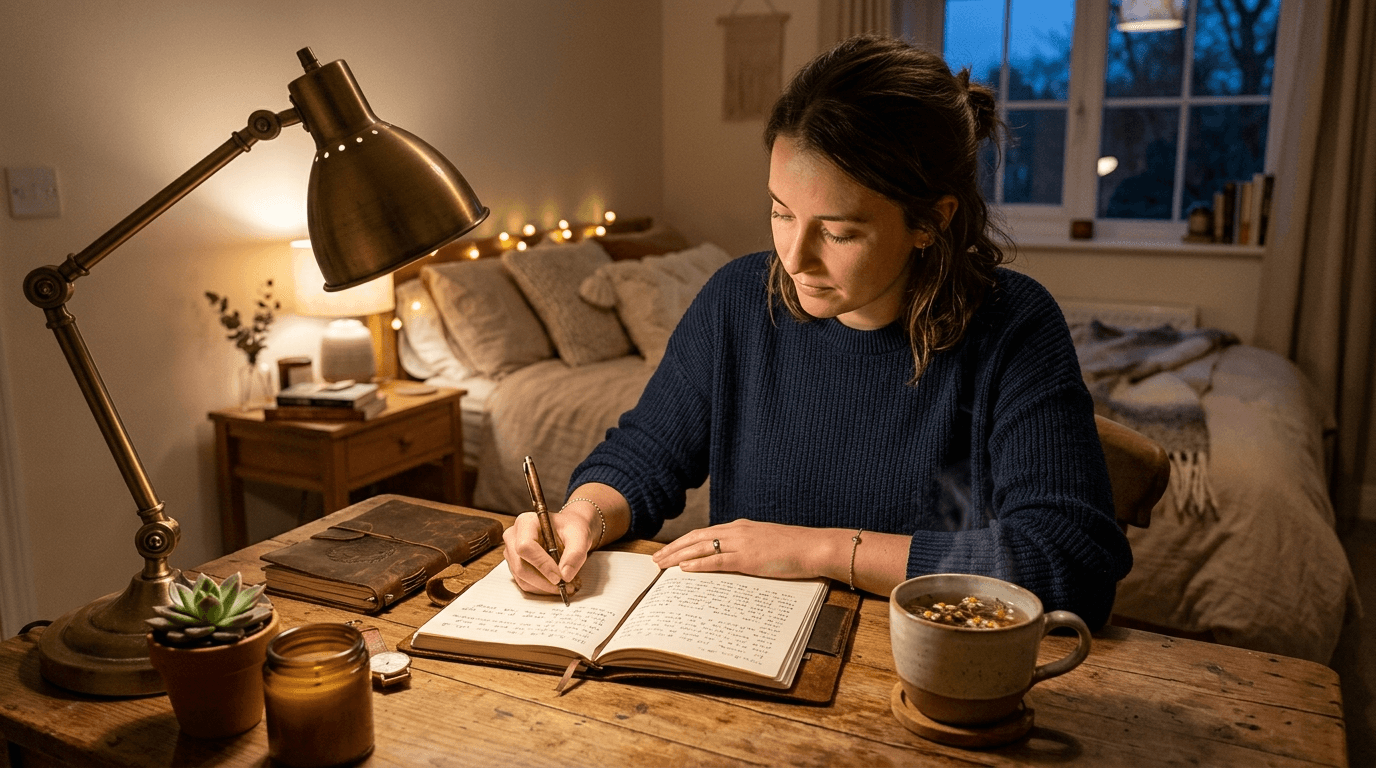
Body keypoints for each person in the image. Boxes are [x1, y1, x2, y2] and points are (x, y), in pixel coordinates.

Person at [502, 35, 1133, 629]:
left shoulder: (1013, 326)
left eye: (838, 231)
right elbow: (644, 454)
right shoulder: (738, 301)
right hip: (747, 654)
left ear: (929, 221)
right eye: (781, 212)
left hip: (919, 669)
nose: (794, 257)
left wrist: (816, 550)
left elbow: (1071, 564)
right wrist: (577, 516)